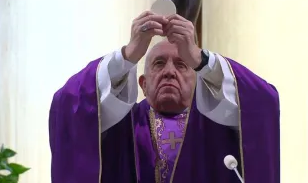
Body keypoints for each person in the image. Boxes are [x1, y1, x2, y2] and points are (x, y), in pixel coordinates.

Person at [49, 11, 280, 183]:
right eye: (159, 64)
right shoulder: (120, 125)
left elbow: (264, 102)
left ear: (198, 80)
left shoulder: (217, 122)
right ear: (143, 84)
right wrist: (128, 56)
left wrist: (202, 60)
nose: (170, 71)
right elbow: (67, 105)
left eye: (182, 64)